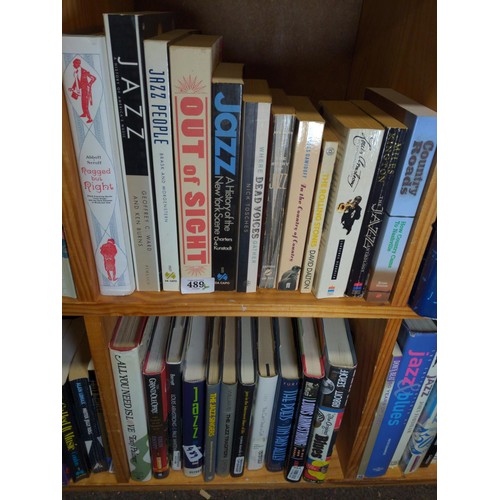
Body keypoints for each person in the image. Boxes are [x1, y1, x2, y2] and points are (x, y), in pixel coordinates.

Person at [68, 58, 96, 123]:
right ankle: (84, 113)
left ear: (78, 64)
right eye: (73, 64)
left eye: (74, 64)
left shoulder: (84, 71)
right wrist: (72, 88)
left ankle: (90, 118)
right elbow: (76, 81)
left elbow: (93, 78)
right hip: (81, 90)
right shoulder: (76, 72)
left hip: (86, 90)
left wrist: (89, 84)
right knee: (82, 102)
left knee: (85, 104)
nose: (73, 65)